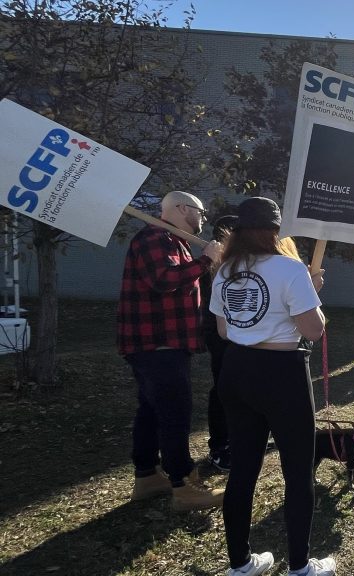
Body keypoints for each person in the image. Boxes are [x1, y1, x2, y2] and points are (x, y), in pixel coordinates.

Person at [209, 197, 334, 576]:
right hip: (282, 372)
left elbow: (223, 329)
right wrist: (312, 293)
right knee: (297, 471)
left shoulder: (224, 269)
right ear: (276, 230)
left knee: (243, 469)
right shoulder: (290, 269)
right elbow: (314, 329)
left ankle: (240, 563)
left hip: (236, 368)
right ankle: (299, 565)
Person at [117, 190, 225, 512]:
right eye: (200, 212)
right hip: (157, 344)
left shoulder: (173, 241)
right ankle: (183, 485)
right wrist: (205, 258)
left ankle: (147, 476)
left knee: (151, 410)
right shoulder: (155, 237)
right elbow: (163, 280)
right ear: (181, 208)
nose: (203, 219)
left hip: (163, 344)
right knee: (174, 413)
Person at [200, 214, 238, 472]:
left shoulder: (235, 262)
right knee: (223, 389)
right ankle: (219, 446)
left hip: (241, 336)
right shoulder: (214, 264)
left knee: (241, 390)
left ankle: (237, 438)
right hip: (219, 334)